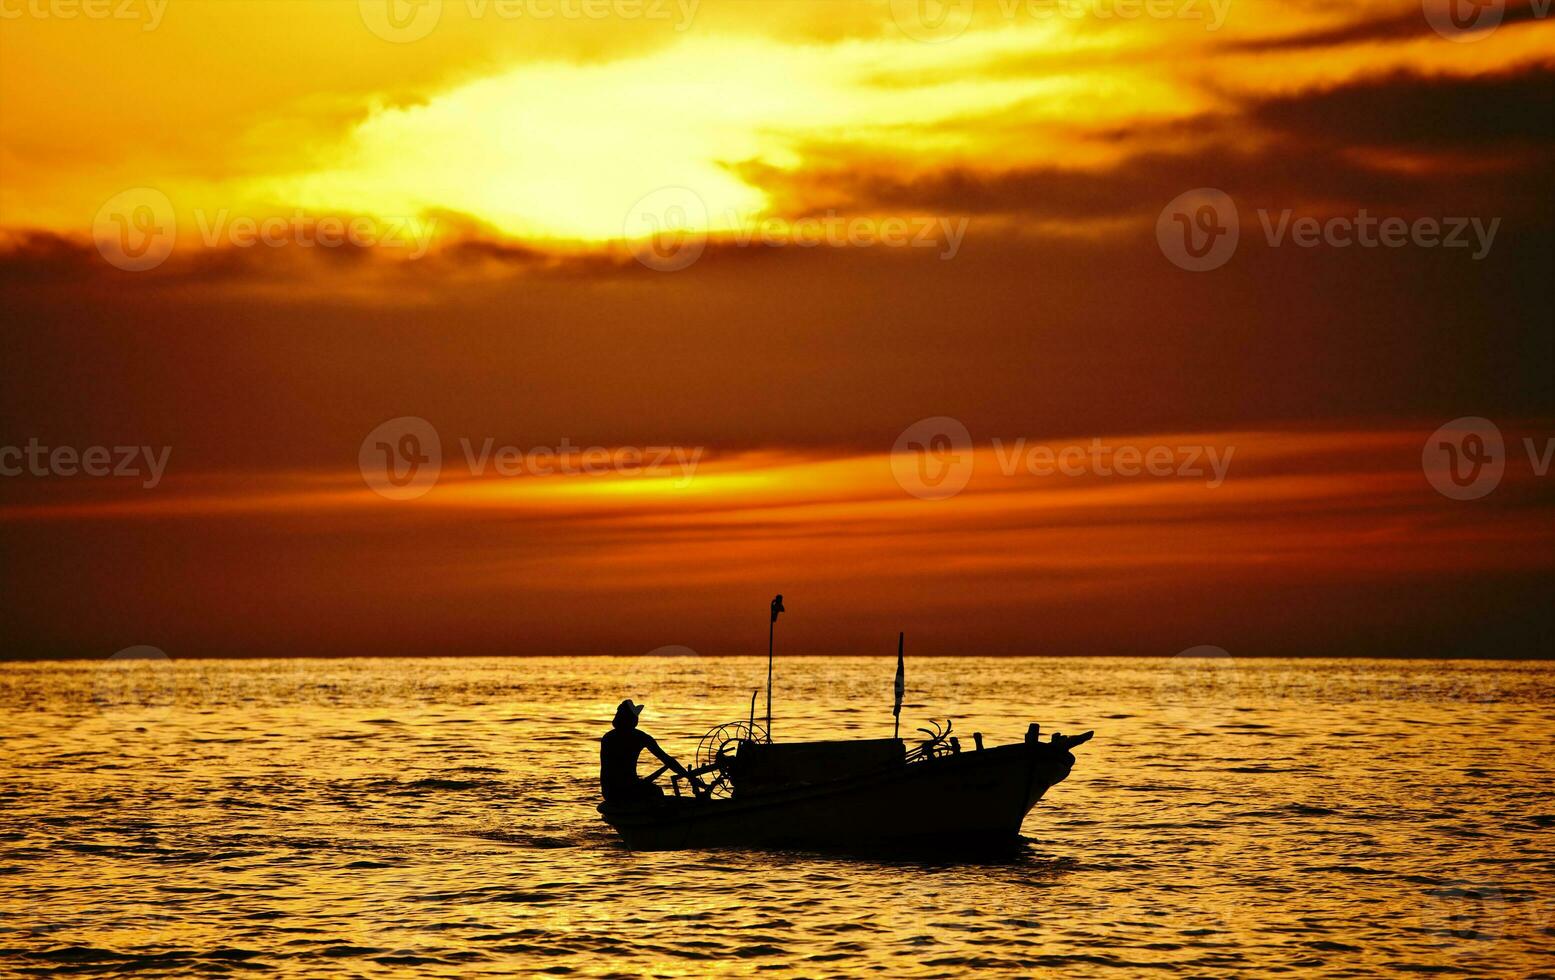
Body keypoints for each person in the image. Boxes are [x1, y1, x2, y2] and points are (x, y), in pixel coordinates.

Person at [599, 699, 703, 805]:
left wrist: (689, 777)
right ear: (633, 720)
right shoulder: (639, 737)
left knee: (653, 792)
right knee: (656, 791)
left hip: (609, 792)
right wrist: (691, 778)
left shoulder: (608, 737)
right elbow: (667, 760)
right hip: (621, 791)